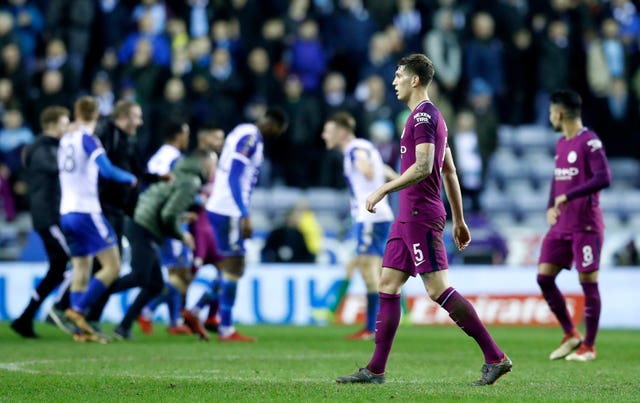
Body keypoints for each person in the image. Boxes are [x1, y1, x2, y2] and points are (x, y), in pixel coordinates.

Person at [335, 54, 512, 386]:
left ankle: (495, 356)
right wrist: (459, 220)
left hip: (420, 216)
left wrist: (383, 189)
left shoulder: (423, 119)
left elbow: (424, 167)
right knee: (388, 285)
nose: (394, 82)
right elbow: (449, 171)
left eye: (399, 75)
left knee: (437, 289)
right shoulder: (427, 117)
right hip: (408, 218)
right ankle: (375, 370)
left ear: (415, 80)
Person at [182, 107, 288, 342]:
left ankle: (197, 310)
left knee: (231, 266)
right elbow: (234, 176)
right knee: (234, 266)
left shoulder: (243, 132)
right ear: (272, 124)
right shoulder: (250, 137)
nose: (277, 135)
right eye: (278, 130)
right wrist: (243, 213)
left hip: (222, 207)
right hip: (228, 209)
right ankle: (225, 328)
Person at [537, 89, 611, 362]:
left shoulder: (589, 142)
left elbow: (604, 177)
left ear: (558, 113)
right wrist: (550, 206)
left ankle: (589, 346)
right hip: (562, 224)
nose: (550, 117)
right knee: (544, 277)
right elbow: (557, 181)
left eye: (550, 112)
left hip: (585, 225)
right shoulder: (561, 144)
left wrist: (569, 196)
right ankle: (571, 334)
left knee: (587, 281)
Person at [58, 96, 137, 342]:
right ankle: (78, 309)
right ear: (98, 114)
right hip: (86, 211)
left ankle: (79, 330)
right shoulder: (87, 139)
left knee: (82, 267)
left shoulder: (65, 140)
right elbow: (107, 170)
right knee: (113, 266)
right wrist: (130, 178)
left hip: (66, 213)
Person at [110, 150, 213, 339]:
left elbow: (163, 208)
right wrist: (181, 234)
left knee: (155, 284)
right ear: (204, 164)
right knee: (139, 276)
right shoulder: (192, 182)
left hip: (143, 224)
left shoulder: (179, 174)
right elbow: (167, 215)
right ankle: (90, 297)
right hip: (142, 226)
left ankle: (123, 326)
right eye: (213, 164)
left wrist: (181, 217)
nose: (214, 169)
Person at [321, 111, 395, 340]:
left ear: (341, 132)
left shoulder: (355, 149)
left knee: (368, 269)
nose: (324, 135)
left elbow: (368, 165)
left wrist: (365, 168)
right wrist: (400, 179)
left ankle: (372, 328)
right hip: (377, 214)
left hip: (370, 216)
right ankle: (378, 325)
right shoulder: (365, 145)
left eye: (328, 130)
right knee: (371, 267)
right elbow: (384, 170)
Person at [10, 106, 71, 338]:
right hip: (48, 216)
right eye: (65, 123)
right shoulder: (41, 148)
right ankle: (60, 309)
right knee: (77, 261)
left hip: (53, 215)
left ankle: (24, 319)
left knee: (56, 271)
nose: (67, 128)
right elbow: (59, 168)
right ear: (54, 124)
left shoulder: (50, 147)